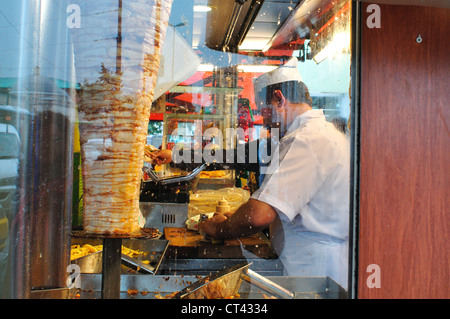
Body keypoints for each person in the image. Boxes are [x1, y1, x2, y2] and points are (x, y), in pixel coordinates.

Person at [149, 57, 350, 288]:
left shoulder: (306, 140)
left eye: (262, 110)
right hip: (311, 264)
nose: (263, 121)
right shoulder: (319, 135)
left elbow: (259, 215)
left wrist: (218, 228)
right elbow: (234, 154)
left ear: (279, 99)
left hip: (312, 271)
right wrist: (176, 156)